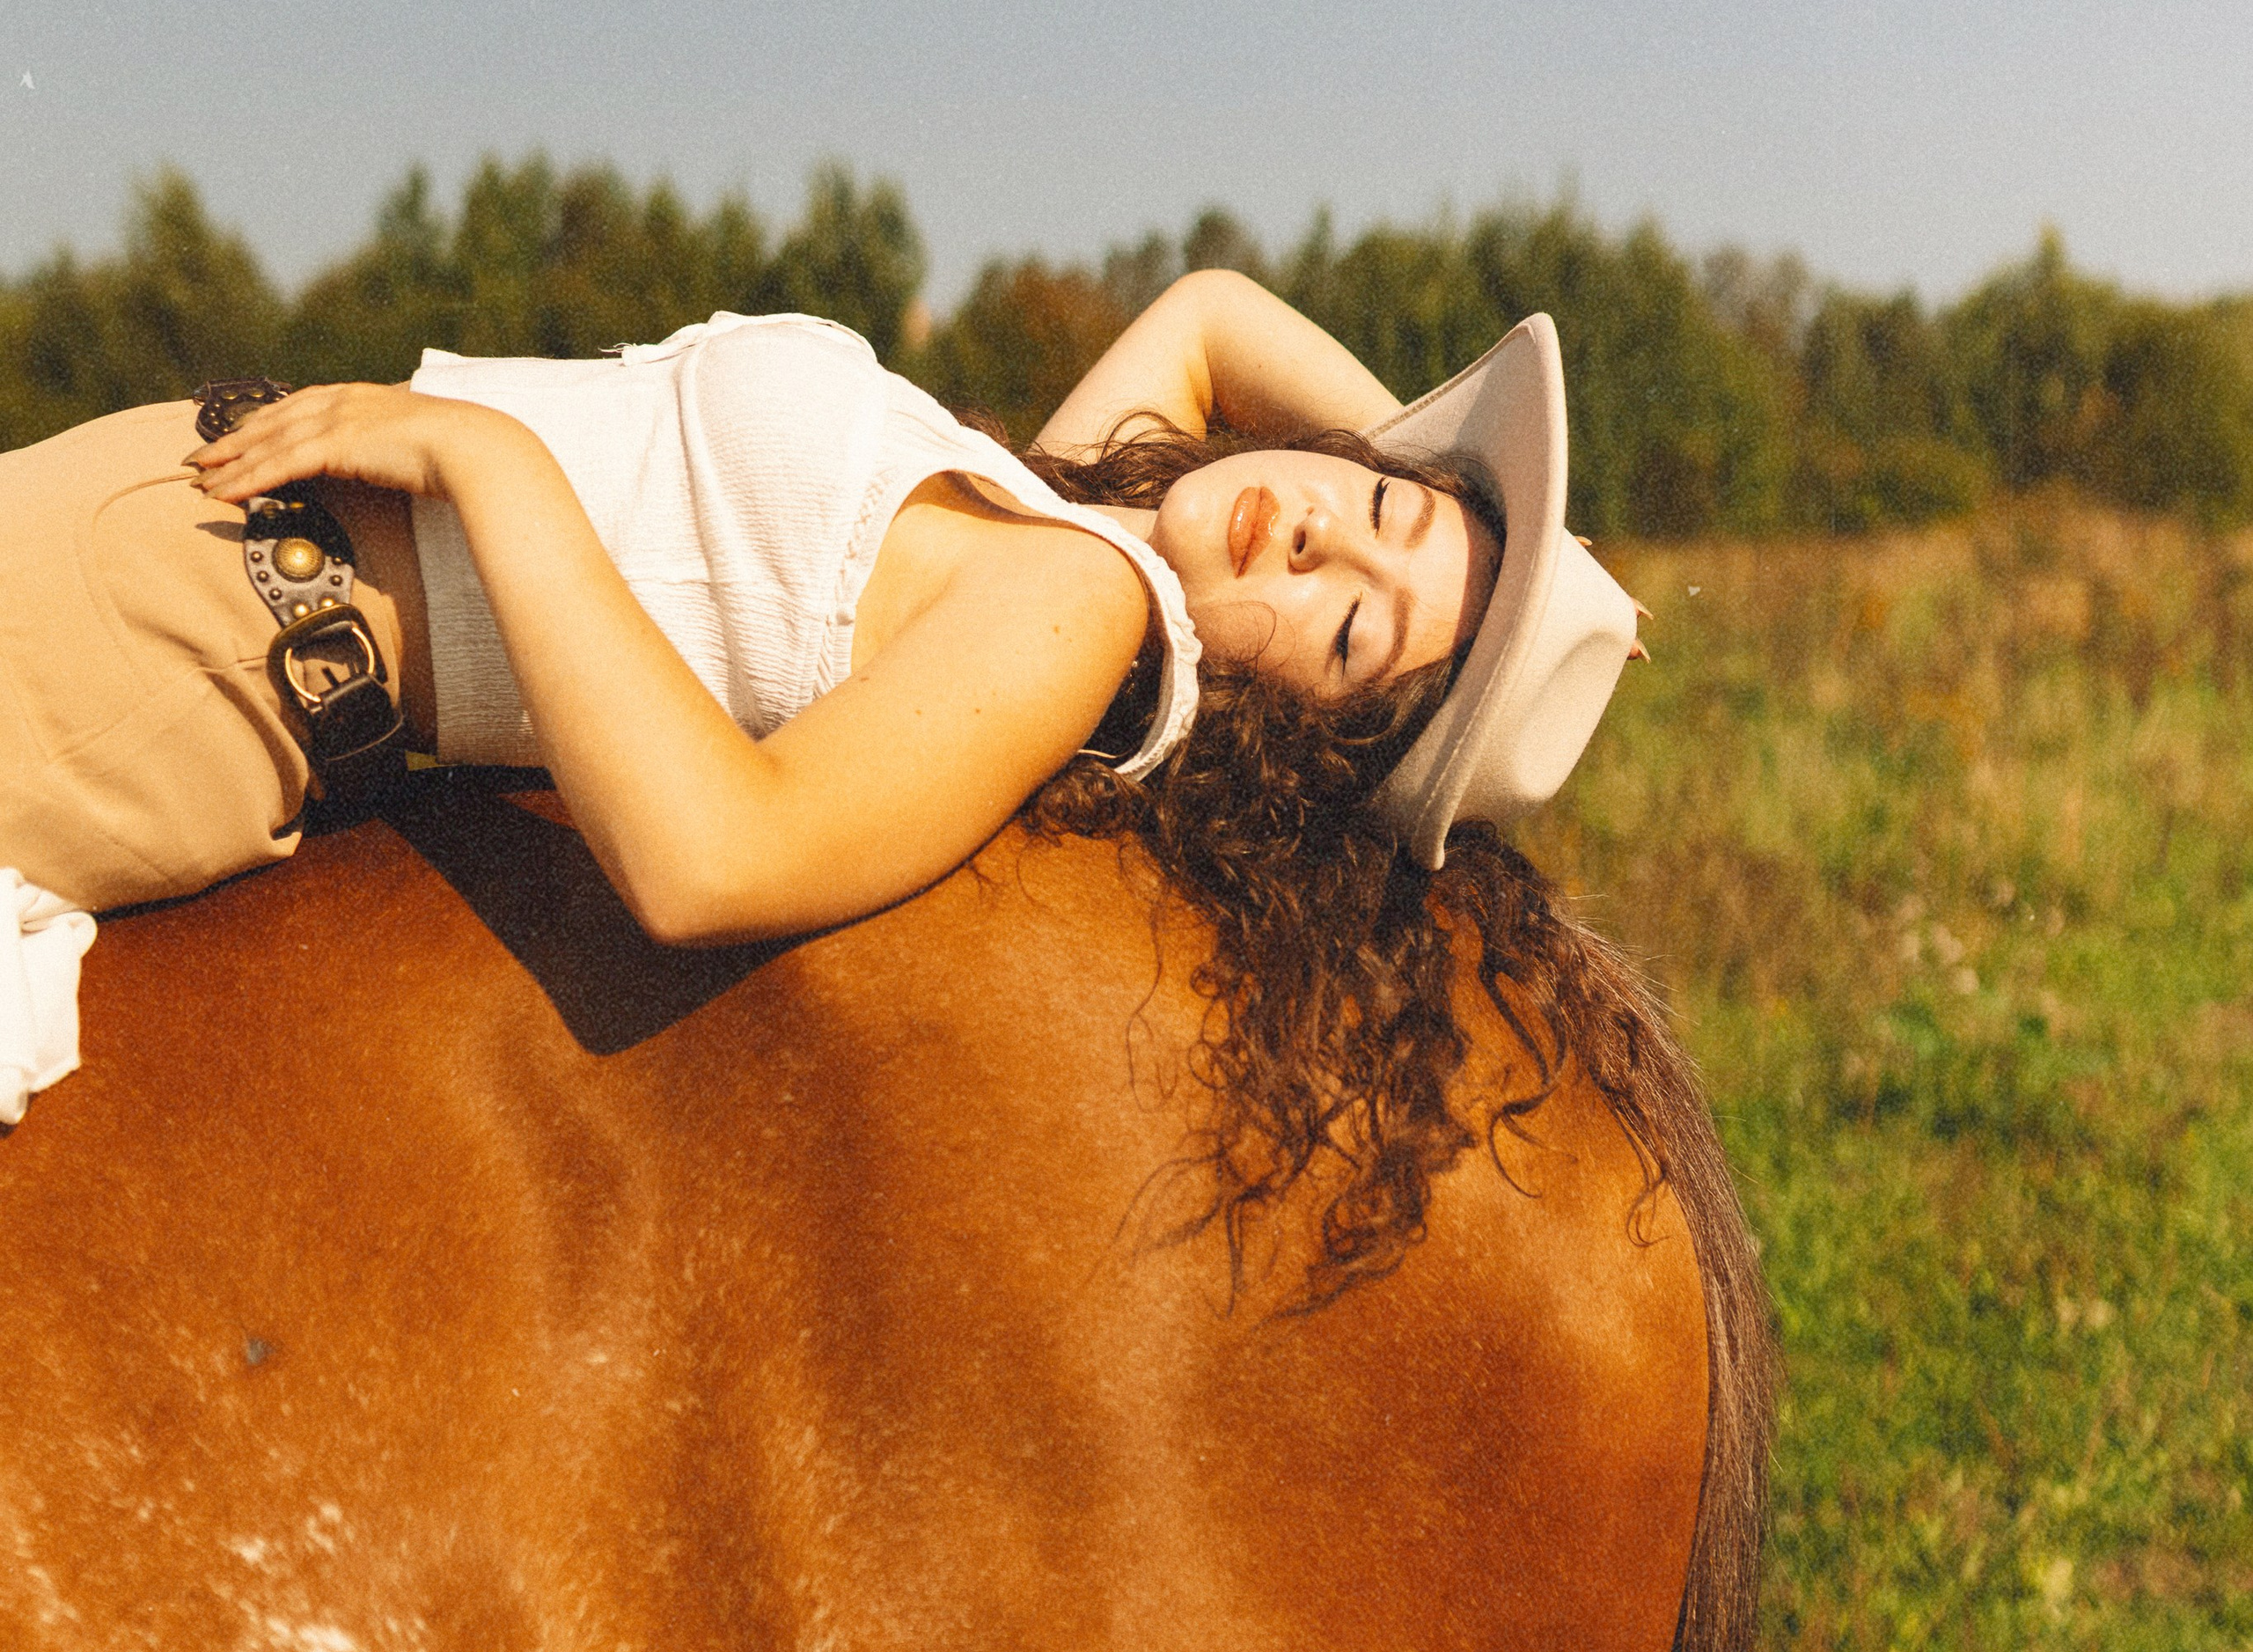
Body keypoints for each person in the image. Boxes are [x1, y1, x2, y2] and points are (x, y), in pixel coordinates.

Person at [2, 275, 1645, 1255]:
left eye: (1353, 633)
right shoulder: (1066, 506)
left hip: (200, 653)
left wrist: (482, 463)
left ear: (1286, 737)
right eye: (1373, 511)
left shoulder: (1081, 609)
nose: (1313, 541)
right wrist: (1449, 504)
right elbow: (1211, 322)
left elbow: (716, 857)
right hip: (183, 531)